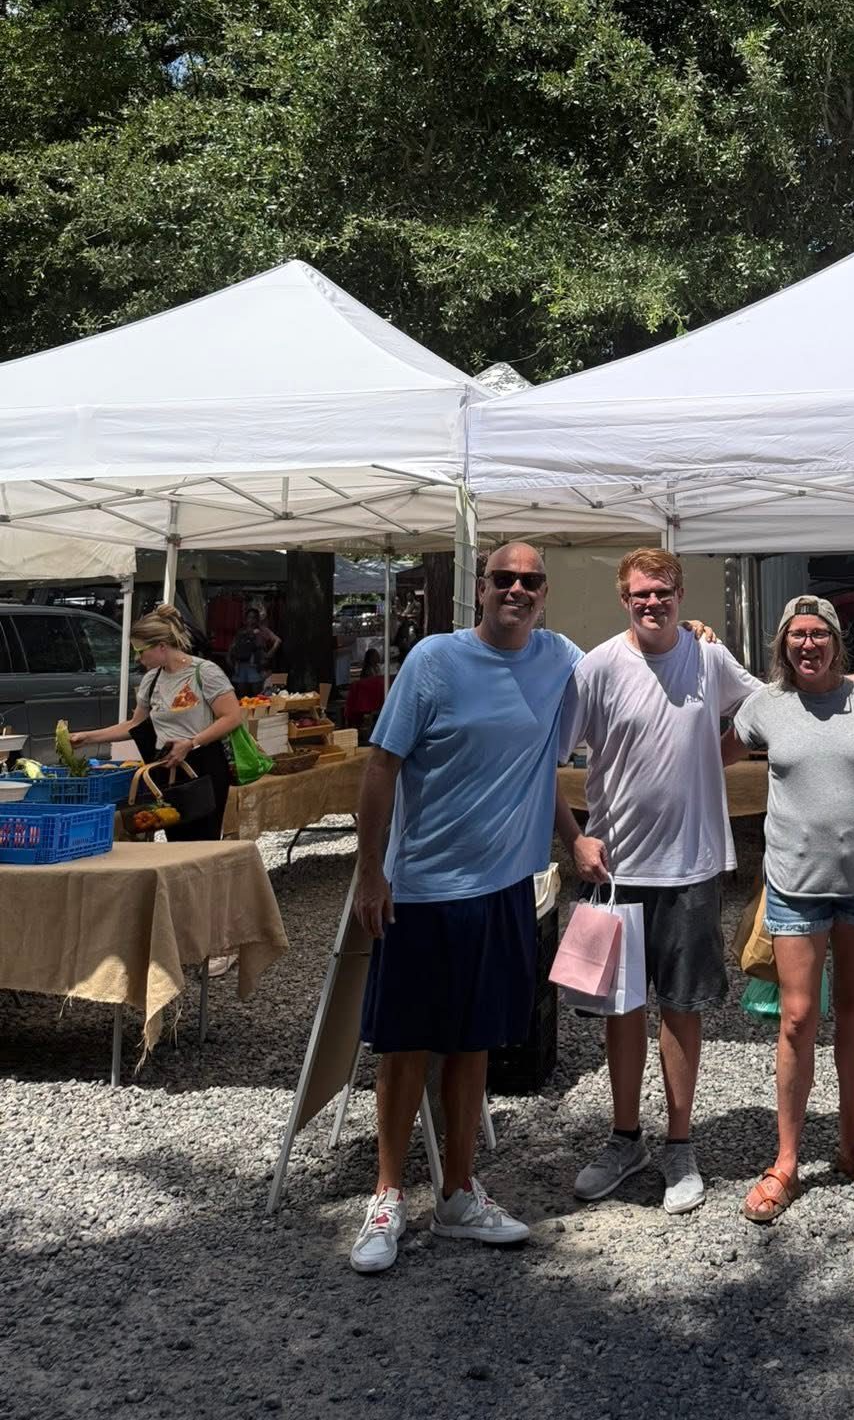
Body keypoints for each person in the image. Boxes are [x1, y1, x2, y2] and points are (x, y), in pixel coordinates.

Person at [348, 540, 582, 1275]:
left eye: (530, 581)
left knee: (473, 1042)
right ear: (480, 588)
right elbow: (381, 766)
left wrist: (694, 637)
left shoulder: (560, 658)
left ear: (544, 593)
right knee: (405, 1047)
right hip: (422, 886)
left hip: (504, 888)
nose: (517, 590)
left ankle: (456, 1193)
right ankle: (387, 1194)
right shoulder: (434, 660)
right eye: (503, 578)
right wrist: (370, 874)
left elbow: (633, 666)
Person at [557, 547, 760, 1218]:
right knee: (619, 1009)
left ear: (680, 595)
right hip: (614, 869)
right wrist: (574, 838)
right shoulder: (596, 668)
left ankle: (679, 1143)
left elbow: (763, 710)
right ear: (624, 599)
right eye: (641, 593)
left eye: (663, 592)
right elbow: (544, 760)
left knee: (681, 1005)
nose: (653, 603)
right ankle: (625, 1139)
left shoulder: (709, 658)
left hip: (691, 865)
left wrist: (714, 753)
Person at [724, 596, 854, 1222]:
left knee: (853, 1011)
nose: (808, 644)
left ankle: (851, 1144)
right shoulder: (764, 705)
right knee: (797, 1017)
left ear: (836, 642)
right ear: (783, 644)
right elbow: (709, 754)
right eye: (797, 635)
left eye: (819, 634)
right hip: (795, 883)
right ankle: (787, 1160)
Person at [71, 603, 243, 841]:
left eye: (141, 651)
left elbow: (232, 717)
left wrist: (191, 743)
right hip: (167, 767)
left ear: (162, 646)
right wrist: (87, 737)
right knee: (176, 840)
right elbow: (134, 725)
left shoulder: (204, 672)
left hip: (203, 765)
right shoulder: (151, 680)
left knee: (203, 842)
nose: (138, 658)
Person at [228, 603, 280, 691]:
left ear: (258, 619)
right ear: (246, 619)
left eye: (254, 618)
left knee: (257, 691)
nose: (251, 620)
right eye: (249, 617)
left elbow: (277, 641)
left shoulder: (263, 630)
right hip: (241, 666)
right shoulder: (241, 632)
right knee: (242, 692)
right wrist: (229, 658)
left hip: (256, 666)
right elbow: (233, 646)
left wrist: (269, 654)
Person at [345, 648, 386, 739]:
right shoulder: (367, 670)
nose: (378, 657)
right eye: (375, 655)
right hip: (368, 696)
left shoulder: (377, 668)